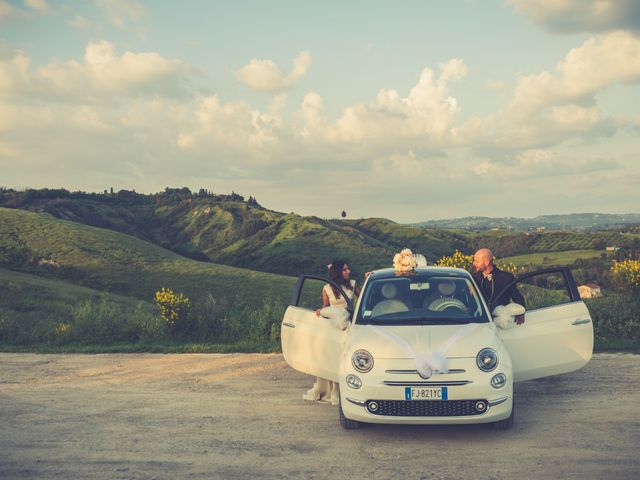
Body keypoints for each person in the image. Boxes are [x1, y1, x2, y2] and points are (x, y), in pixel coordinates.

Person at [305, 260, 360, 405]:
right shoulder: (326, 289)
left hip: (347, 324)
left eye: (348, 269)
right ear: (337, 272)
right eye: (345, 270)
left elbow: (364, 298)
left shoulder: (353, 284)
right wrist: (321, 311)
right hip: (332, 327)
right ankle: (332, 391)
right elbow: (325, 307)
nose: (348, 272)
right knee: (332, 356)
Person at [472, 248, 526, 325]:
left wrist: (521, 312)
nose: (474, 263)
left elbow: (518, 298)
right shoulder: (473, 278)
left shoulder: (506, 277)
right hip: (479, 322)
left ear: (487, 262)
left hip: (502, 323)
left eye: (477, 261)